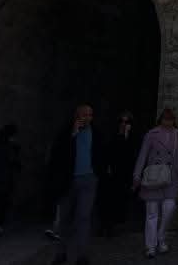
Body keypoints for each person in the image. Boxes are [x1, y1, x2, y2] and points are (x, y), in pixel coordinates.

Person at [47, 104, 106, 265]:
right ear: (77, 115)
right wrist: (72, 134)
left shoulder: (96, 133)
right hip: (68, 180)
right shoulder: (66, 132)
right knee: (64, 218)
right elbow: (57, 154)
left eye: (90, 115)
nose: (87, 118)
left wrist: (98, 173)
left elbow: (101, 153)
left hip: (88, 180)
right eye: (84, 114)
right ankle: (61, 253)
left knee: (83, 217)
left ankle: (82, 255)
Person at [132, 108, 178, 259]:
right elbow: (143, 155)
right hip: (153, 176)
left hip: (172, 176)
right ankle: (150, 246)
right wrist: (137, 175)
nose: (168, 122)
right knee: (152, 213)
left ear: (174, 120)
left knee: (169, 207)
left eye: (170, 119)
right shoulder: (151, 134)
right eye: (165, 119)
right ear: (161, 120)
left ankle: (161, 236)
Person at [99, 111, 137, 236]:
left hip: (124, 174)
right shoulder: (112, 135)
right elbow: (108, 151)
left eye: (126, 122)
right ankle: (104, 224)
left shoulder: (133, 138)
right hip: (111, 173)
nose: (123, 124)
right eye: (121, 121)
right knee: (107, 199)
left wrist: (126, 136)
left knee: (119, 200)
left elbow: (130, 154)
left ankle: (112, 225)